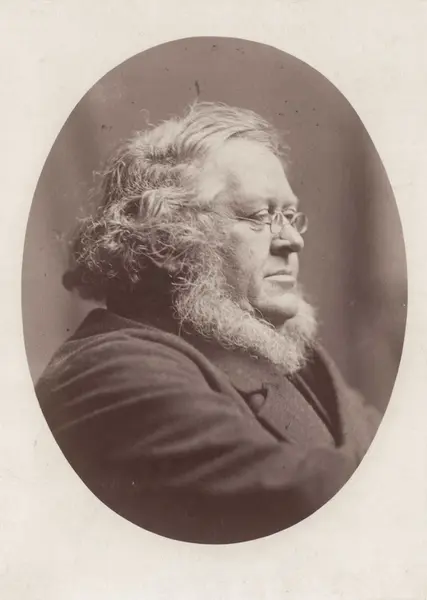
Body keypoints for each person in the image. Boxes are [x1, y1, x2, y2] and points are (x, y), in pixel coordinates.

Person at [36, 102, 381, 544]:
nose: (292, 240)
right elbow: (301, 495)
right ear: (167, 240)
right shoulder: (106, 371)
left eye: (290, 216)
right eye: (259, 217)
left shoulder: (291, 360)